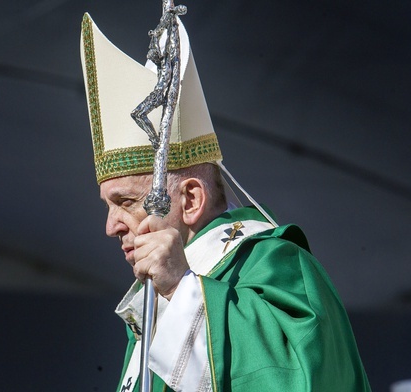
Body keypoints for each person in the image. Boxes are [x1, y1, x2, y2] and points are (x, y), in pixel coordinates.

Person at [80, 12, 371, 392]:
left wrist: (181, 290)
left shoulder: (276, 265)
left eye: (127, 201)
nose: (111, 226)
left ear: (190, 199)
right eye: (108, 205)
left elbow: (302, 380)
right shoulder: (152, 302)